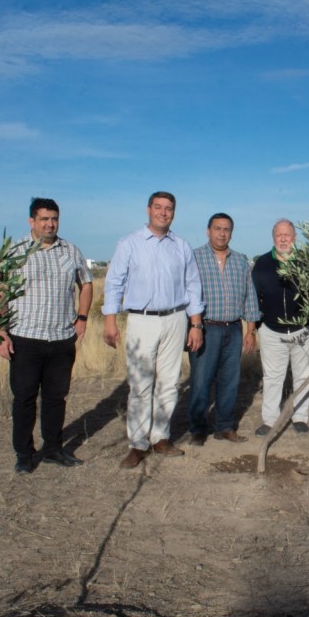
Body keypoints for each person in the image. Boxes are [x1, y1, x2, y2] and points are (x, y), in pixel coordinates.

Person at [103, 191, 205, 469]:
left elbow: (193, 286)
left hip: (176, 318)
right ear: (148, 210)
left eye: (168, 208)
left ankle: (161, 437)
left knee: (169, 383)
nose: (163, 212)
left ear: (174, 212)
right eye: (158, 207)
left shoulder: (181, 246)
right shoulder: (129, 244)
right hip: (142, 320)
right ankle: (138, 444)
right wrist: (109, 319)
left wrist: (196, 324)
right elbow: (114, 283)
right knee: (140, 385)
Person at [0, 198, 93, 474]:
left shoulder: (70, 251)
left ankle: (53, 449)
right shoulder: (15, 251)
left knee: (56, 398)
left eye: (54, 219)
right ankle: (24, 455)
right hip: (24, 339)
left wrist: (82, 317)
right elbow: (0, 292)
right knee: (24, 399)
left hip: (61, 339)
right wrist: (0, 332)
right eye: (44, 219)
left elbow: (86, 284)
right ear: (31, 221)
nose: (50, 224)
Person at [188, 213, 260, 445]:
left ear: (231, 232)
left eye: (226, 229)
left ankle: (225, 427)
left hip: (234, 330)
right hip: (205, 328)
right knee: (201, 381)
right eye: (217, 228)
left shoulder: (240, 260)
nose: (222, 233)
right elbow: (187, 296)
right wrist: (193, 326)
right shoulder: (194, 258)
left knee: (229, 381)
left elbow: (250, 297)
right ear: (208, 230)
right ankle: (198, 429)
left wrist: (250, 330)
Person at [252, 218, 309, 437]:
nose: (283, 239)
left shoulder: (307, 262)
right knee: (272, 377)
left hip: (303, 330)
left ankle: (300, 417)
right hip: (271, 331)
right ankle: (270, 421)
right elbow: (254, 297)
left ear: (294, 237)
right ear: (273, 238)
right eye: (278, 235)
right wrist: (256, 326)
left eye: (286, 234)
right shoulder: (262, 264)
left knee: (304, 376)